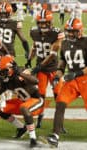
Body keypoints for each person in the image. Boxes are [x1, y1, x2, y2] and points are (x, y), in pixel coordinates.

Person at [0, 55, 44, 148]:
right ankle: (21, 128)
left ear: (11, 68)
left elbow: (35, 81)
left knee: (24, 108)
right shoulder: (6, 80)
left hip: (36, 101)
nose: (1, 75)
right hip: (22, 102)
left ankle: (33, 139)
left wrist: (20, 73)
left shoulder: (21, 72)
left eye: (3, 71)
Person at [47, 18, 87, 147]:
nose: (70, 34)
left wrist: (77, 73)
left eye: (73, 31)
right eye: (68, 31)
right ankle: (55, 135)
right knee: (60, 103)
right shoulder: (64, 43)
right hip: (72, 79)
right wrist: (58, 75)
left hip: (85, 78)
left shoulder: (86, 42)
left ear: (79, 31)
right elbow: (63, 61)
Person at [25, 9, 64, 129]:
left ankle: (59, 124)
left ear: (50, 22)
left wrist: (37, 67)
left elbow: (52, 54)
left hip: (53, 68)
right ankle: (40, 117)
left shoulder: (56, 33)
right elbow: (35, 46)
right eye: (40, 23)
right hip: (41, 69)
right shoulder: (34, 32)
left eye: (45, 23)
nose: (42, 25)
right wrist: (29, 60)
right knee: (41, 95)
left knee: (59, 95)